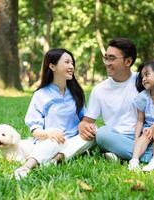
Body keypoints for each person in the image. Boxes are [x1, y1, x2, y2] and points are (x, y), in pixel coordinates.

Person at [79, 38, 154, 168]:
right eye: (106, 58)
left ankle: (125, 156)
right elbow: (87, 121)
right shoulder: (99, 90)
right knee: (102, 134)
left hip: (151, 136)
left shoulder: (144, 79)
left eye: (112, 58)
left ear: (128, 61)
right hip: (120, 138)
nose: (107, 63)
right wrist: (83, 125)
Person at [14, 48, 94, 180]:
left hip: (74, 139)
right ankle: (26, 167)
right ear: (52, 66)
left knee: (95, 133)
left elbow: (84, 119)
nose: (71, 66)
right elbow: (35, 130)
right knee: (55, 142)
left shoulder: (75, 92)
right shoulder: (41, 95)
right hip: (51, 140)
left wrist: (88, 127)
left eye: (72, 63)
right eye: (67, 62)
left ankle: (56, 159)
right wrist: (49, 133)